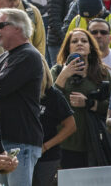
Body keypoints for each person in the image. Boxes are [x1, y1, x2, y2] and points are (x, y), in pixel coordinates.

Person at [0, 8, 43, 185]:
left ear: (18, 28)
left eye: (1, 25)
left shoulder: (28, 55)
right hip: (2, 141)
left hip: (20, 142)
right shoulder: (3, 57)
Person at [51, 28, 111, 169]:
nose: (79, 43)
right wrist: (64, 76)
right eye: (74, 41)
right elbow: (48, 104)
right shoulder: (57, 71)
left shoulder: (102, 73)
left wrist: (90, 103)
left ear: (90, 47)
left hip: (94, 143)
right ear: (68, 47)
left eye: (84, 41)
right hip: (63, 143)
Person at [32, 57, 76, 186]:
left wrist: (45, 147)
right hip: (24, 154)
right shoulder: (21, 93)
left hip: (47, 157)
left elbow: (71, 126)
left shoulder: (53, 95)